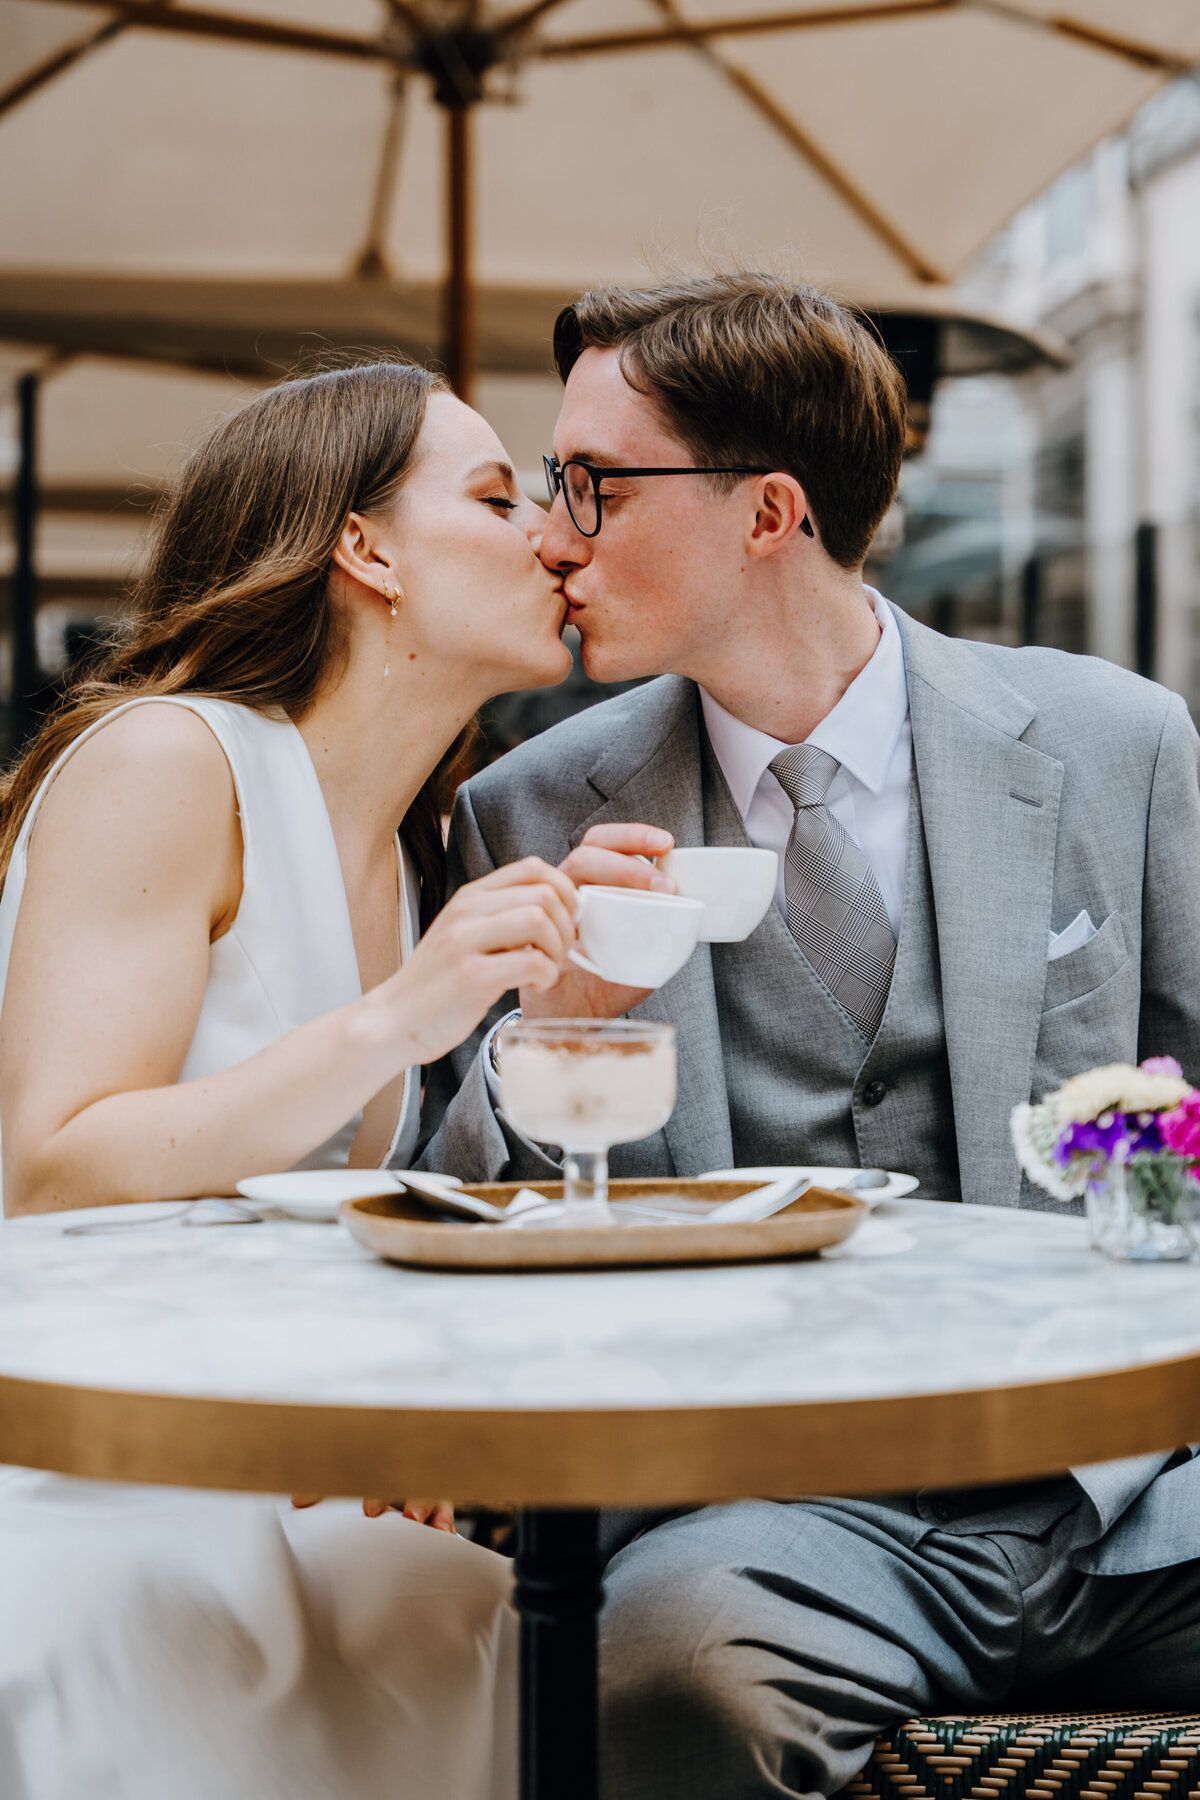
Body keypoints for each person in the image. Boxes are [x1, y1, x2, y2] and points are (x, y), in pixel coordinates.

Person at [417, 275, 1200, 1800]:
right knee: (654, 1678)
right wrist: (542, 1056)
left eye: (594, 483)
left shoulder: (1120, 744)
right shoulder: (525, 809)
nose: (553, 534)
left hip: (1132, 1504)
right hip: (763, 1527)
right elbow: (461, 1209)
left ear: (768, 511)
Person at [0, 359, 583, 1799]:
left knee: (479, 1620)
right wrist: (399, 1014)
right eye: (499, 496)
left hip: (271, 1462)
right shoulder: (165, 757)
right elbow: (50, 1167)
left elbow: (309, 1213)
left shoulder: (416, 843)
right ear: (364, 548)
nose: (552, 538)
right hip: (80, 1461)